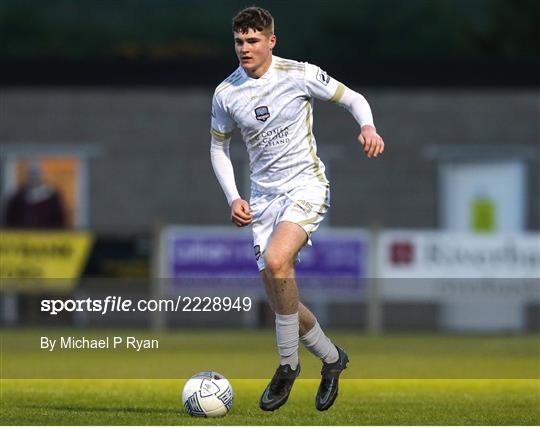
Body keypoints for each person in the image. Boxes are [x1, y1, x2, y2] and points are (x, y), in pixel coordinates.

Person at [210, 6, 384, 411]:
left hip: (305, 186)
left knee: (276, 260)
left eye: (253, 40)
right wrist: (233, 196)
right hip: (263, 200)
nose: (244, 48)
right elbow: (219, 146)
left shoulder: (300, 74)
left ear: (271, 41)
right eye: (239, 41)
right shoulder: (226, 93)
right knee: (282, 298)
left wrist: (368, 126)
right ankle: (332, 359)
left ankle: (287, 366)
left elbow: (353, 98)